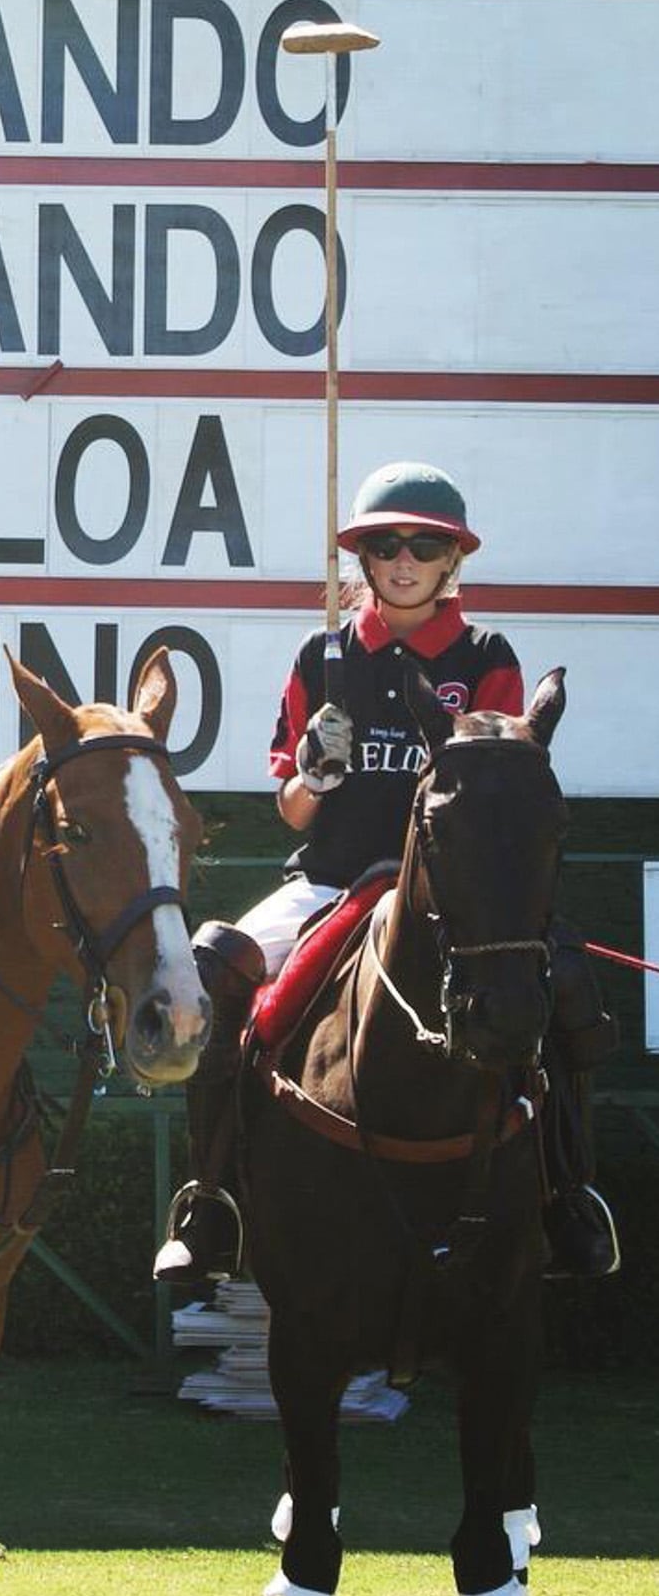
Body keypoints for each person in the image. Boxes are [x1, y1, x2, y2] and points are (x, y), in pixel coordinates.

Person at [155, 460, 619, 1289]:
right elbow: (292, 810)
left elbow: (503, 789)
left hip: (454, 899)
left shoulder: (486, 655)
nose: (403, 560)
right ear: (362, 561)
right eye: (384, 544)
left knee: (565, 984)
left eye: (423, 545)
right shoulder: (322, 653)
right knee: (214, 963)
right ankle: (211, 1202)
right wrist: (317, 772)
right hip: (332, 879)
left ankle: (565, 1195)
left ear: (452, 561)